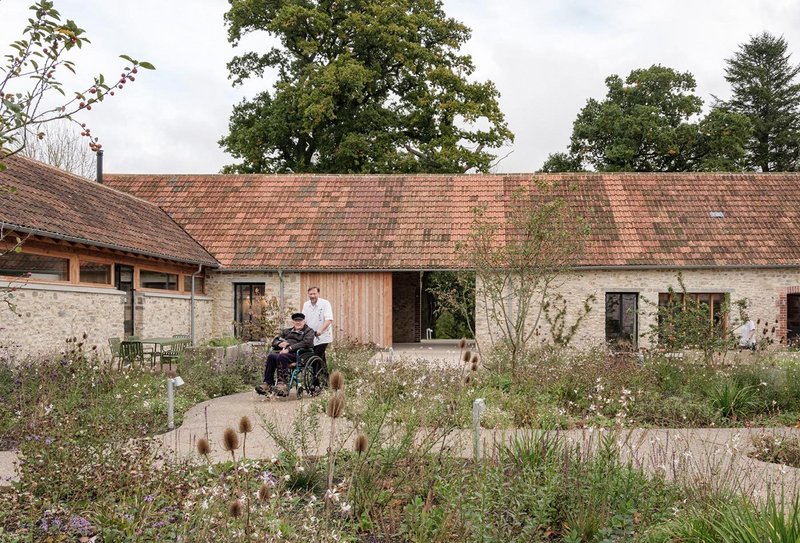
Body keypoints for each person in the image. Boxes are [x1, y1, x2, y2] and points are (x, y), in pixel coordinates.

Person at [256, 312, 314, 397]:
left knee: (281, 356)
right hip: (284, 353)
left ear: (304, 321)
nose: (298, 322)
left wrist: (289, 349)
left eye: (300, 320)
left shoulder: (308, 331)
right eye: (296, 320)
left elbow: (307, 343)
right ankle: (268, 383)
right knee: (271, 356)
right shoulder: (287, 331)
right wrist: (279, 343)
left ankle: (282, 384)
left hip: (298, 354)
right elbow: (275, 341)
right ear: (293, 322)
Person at [302, 286, 334, 369]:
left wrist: (320, 330)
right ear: (308, 294)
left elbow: (329, 319)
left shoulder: (325, 303)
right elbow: (303, 320)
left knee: (314, 358)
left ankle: (315, 381)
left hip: (323, 336)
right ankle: (325, 379)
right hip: (311, 336)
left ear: (318, 294)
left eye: (314, 294)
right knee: (320, 359)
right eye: (310, 294)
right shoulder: (306, 305)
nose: (312, 296)